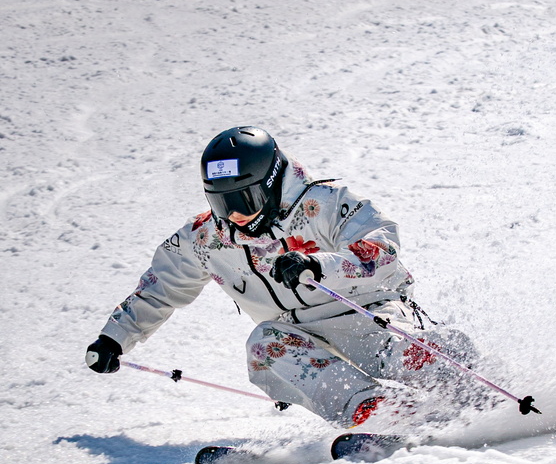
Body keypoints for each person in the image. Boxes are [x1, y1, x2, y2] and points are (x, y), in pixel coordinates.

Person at [85, 126, 486, 429]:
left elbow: (382, 247)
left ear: (273, 183)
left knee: (398, 352)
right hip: (297, 334)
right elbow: (159, 289)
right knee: (264, 346)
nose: (236, 215)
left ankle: (478, 389)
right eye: (222, 202)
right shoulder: (208, 238)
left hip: (368, 311)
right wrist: (114, 338)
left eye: (245, 200)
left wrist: (318, 266)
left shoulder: (322, 205)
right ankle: (376, 413)